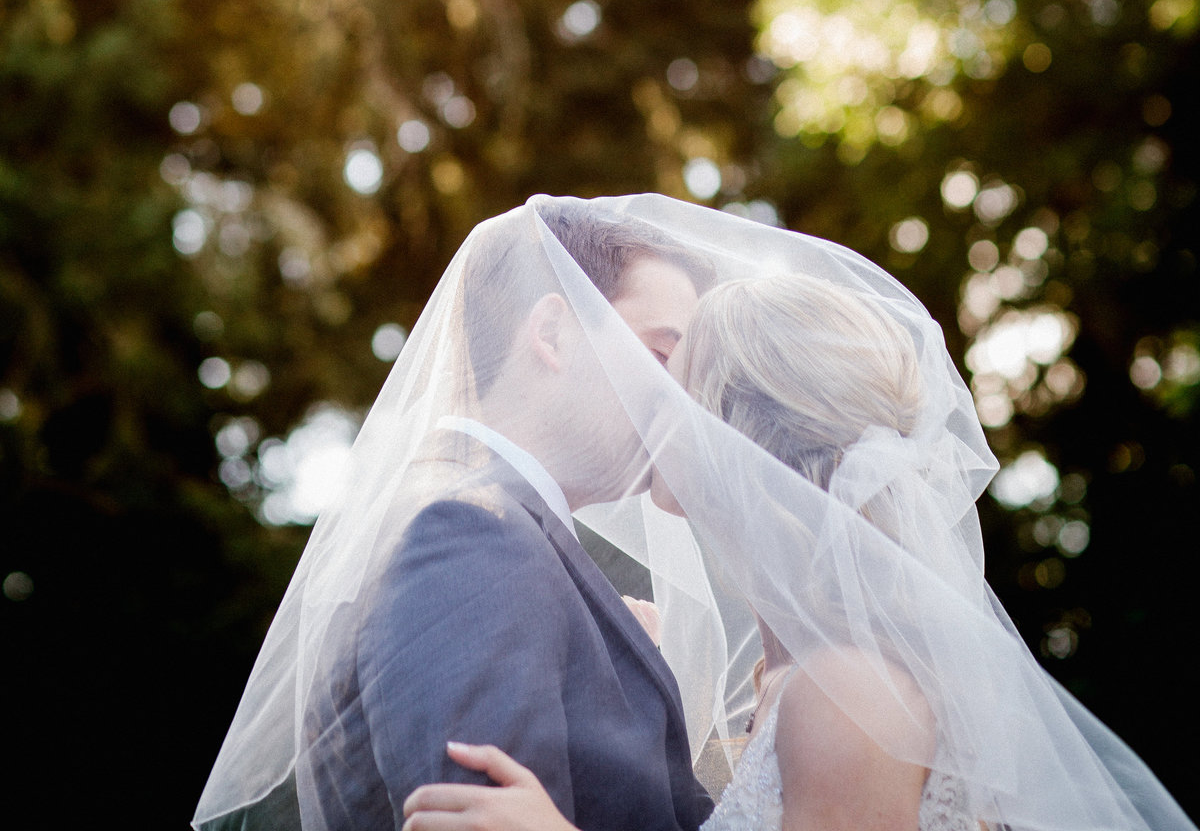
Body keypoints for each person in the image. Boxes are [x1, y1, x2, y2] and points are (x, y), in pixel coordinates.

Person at [396, 195, 1198, 831]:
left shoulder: (846, 689)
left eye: (674, 370)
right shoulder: (793, 678)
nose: (651, 399)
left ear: (740, 433)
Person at [192, 198, 714, 831]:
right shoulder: (472, 533)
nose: (681, 404)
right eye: (661, 359)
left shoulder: (506, 533)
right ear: (551, 335)